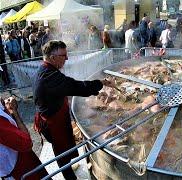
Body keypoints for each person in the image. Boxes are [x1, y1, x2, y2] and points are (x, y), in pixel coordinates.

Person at [33, 40, 114, 179]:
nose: (67, 58)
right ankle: (69, 176)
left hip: (54, 117)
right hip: (53, 123)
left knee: (64, 148)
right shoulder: (50, 76)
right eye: (64, 55)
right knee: (61, 153)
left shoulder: (46, 69)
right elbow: (75, 86)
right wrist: (100, 83)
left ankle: (69, 166)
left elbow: (64, 88)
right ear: (53, 57)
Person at [0, 96, 49, 179]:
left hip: (22, 161)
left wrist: (5, 108)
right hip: (20, 169)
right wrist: (14, 112)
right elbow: (27, 143)